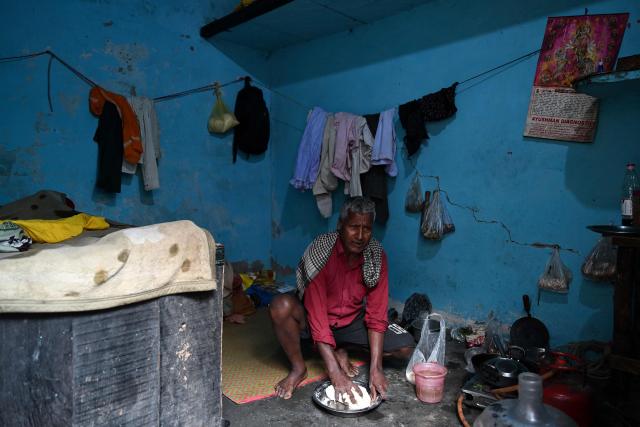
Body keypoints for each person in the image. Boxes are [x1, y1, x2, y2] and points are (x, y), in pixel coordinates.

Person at [269, 197, 415, 402]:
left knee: (405, 347)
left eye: (367, 228)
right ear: (340, 225)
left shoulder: (376, 255)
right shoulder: (321, 251)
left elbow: (377, 313)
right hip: (314, 319)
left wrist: (376, 369)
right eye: (354, 227)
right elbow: (317, 316)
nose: (361, 236)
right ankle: (299, 368)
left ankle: (341, 348)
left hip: (351, 321)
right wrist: (335, 373)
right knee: (280, 306)